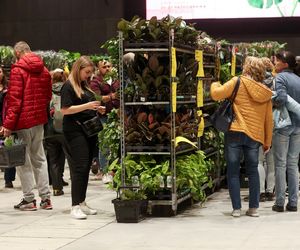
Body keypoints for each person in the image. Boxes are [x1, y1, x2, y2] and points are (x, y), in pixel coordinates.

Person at [210, 56, 273, 217]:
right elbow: (268, 119)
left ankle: (237, 209)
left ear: (247, 67)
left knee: (233, 171)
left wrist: (215, 83)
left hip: (235, 132)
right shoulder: (265, 92)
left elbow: (216, 94)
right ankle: (253, 209)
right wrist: (267, 142)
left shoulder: (237, 82)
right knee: (252, 170)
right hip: (255, 135)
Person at [1, 41, 52, 211]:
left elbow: (14, 101)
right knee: (40, 158)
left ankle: (29, 199)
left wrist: (8, 125)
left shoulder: (17, 70)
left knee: (23, 162)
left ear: (17, 53)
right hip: (39, 121)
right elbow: (47, 97)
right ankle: (46, 199)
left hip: (22, 123)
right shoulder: (44, 70)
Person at [61, 56, 105, 219]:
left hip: (89, 130)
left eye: (90, 73)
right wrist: (87, 106)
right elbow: (65, 110)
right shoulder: (68, 86)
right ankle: (74, 206)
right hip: (74, 131)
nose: (88, 75)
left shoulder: (84, 85)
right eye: (86, 72)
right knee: (79, 167)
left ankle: (82, 202)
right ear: (78, 69)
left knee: (86, 166)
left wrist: (97, 108)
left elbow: (87, 105)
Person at [271, 51, 300, 212]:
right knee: (293, 164)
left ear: (285, 64)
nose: (275, 63)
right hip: (298, 125)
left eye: (278, 61)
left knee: (280, 164)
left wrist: (272, 100)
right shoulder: (298, 79)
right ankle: (294, 202)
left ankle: (280, 202)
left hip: (283, 125)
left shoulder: (280, 78)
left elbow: (281, 99)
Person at [89, 59, 120, 183]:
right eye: (104, 67)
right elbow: (96, 98)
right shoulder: (95, 81)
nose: (107, 69)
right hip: (103, 116)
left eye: (109, 66)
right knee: (105, 144)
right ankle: (104, 170)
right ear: (98, 68)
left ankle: (115, 171)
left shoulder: (117, 80)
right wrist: (112, 96)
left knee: (117, 144)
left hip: (118, 116)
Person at [44, 69, 71, 196]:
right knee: (64, 157)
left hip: (50, 130)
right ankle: (62, 179)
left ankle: (56, 187)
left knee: (53, 159)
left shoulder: (46, 92)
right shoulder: (68, 89)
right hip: (66, 129)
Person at [0, 66, 16, 188]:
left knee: (9, 150)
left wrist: (7, 123)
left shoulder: (8, 88)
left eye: (0, 71)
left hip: (6, 123)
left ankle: (8, 179)